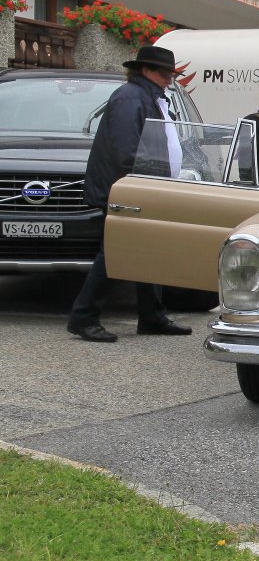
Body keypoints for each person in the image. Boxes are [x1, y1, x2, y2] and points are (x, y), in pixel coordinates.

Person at [67, 45, 194, 343]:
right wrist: (154, 177)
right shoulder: (131, 98)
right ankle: (83, 316)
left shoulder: (147, 96)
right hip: (129, 187)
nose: (169, 80)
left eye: (171, 75)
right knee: (116, 251)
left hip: (142, 186)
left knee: (148, 250)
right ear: (146, 70)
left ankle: (152, 316)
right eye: (165, 74)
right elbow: (127, 151)